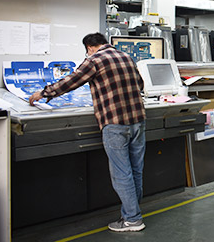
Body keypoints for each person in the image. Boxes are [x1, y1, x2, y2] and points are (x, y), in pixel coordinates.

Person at [30, 32, 147, 232]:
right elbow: (140, 84)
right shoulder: (126, 56)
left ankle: (133, 219)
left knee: (121, 174)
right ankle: (131, 214)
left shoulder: (94, 60)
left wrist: (44, 92)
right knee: (135, 171)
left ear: (90, 48)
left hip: (115, 122)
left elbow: (71, 81)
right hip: (138, 120)